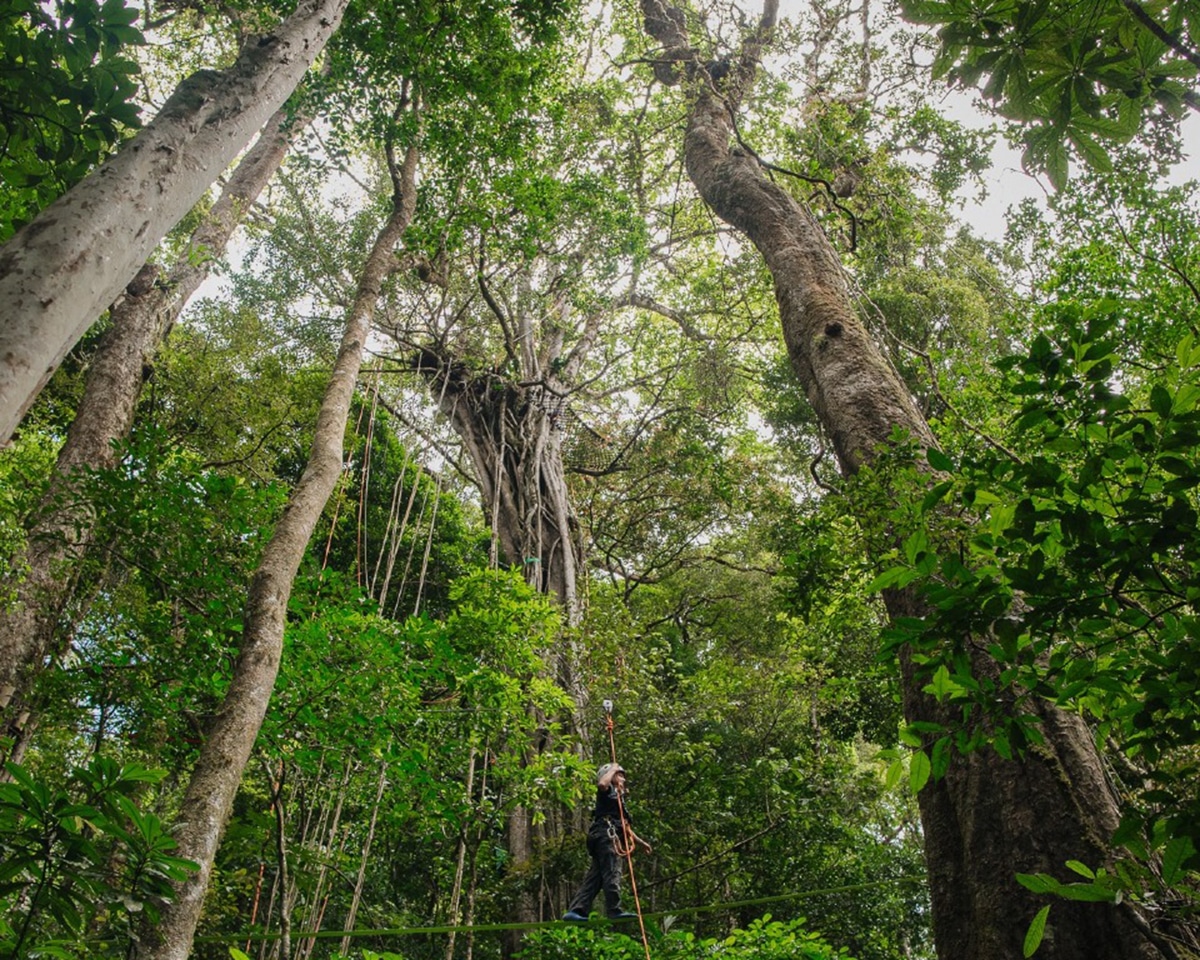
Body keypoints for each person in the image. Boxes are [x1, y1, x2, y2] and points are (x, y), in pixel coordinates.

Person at [563, 762, 652, 921]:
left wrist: (641, 843)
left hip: (603, 835)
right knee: (612, 870)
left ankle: (577, 910)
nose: (623, 781)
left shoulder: (617, 800)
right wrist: (614, 768)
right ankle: (614, 909)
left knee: (595, 877)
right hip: (606, 836)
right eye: (621, 777)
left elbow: (624, 828)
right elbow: (602, 783)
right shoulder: (607, 791)